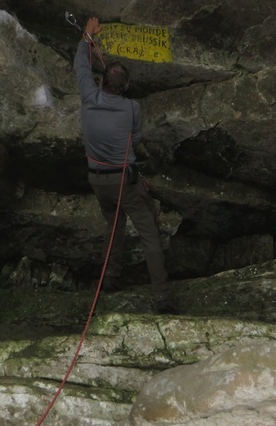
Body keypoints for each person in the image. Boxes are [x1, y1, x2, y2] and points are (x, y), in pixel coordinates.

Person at [73, 17, 178, 314]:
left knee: (114, 223)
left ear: (102, 81)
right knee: (148, 232)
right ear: (125, 87)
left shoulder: (88, 97)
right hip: (124, 183)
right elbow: (136, 138)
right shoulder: (132, 107)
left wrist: (87, 36)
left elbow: (80, 66)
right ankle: (163, 296)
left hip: (98, 181)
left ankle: (110, 277)